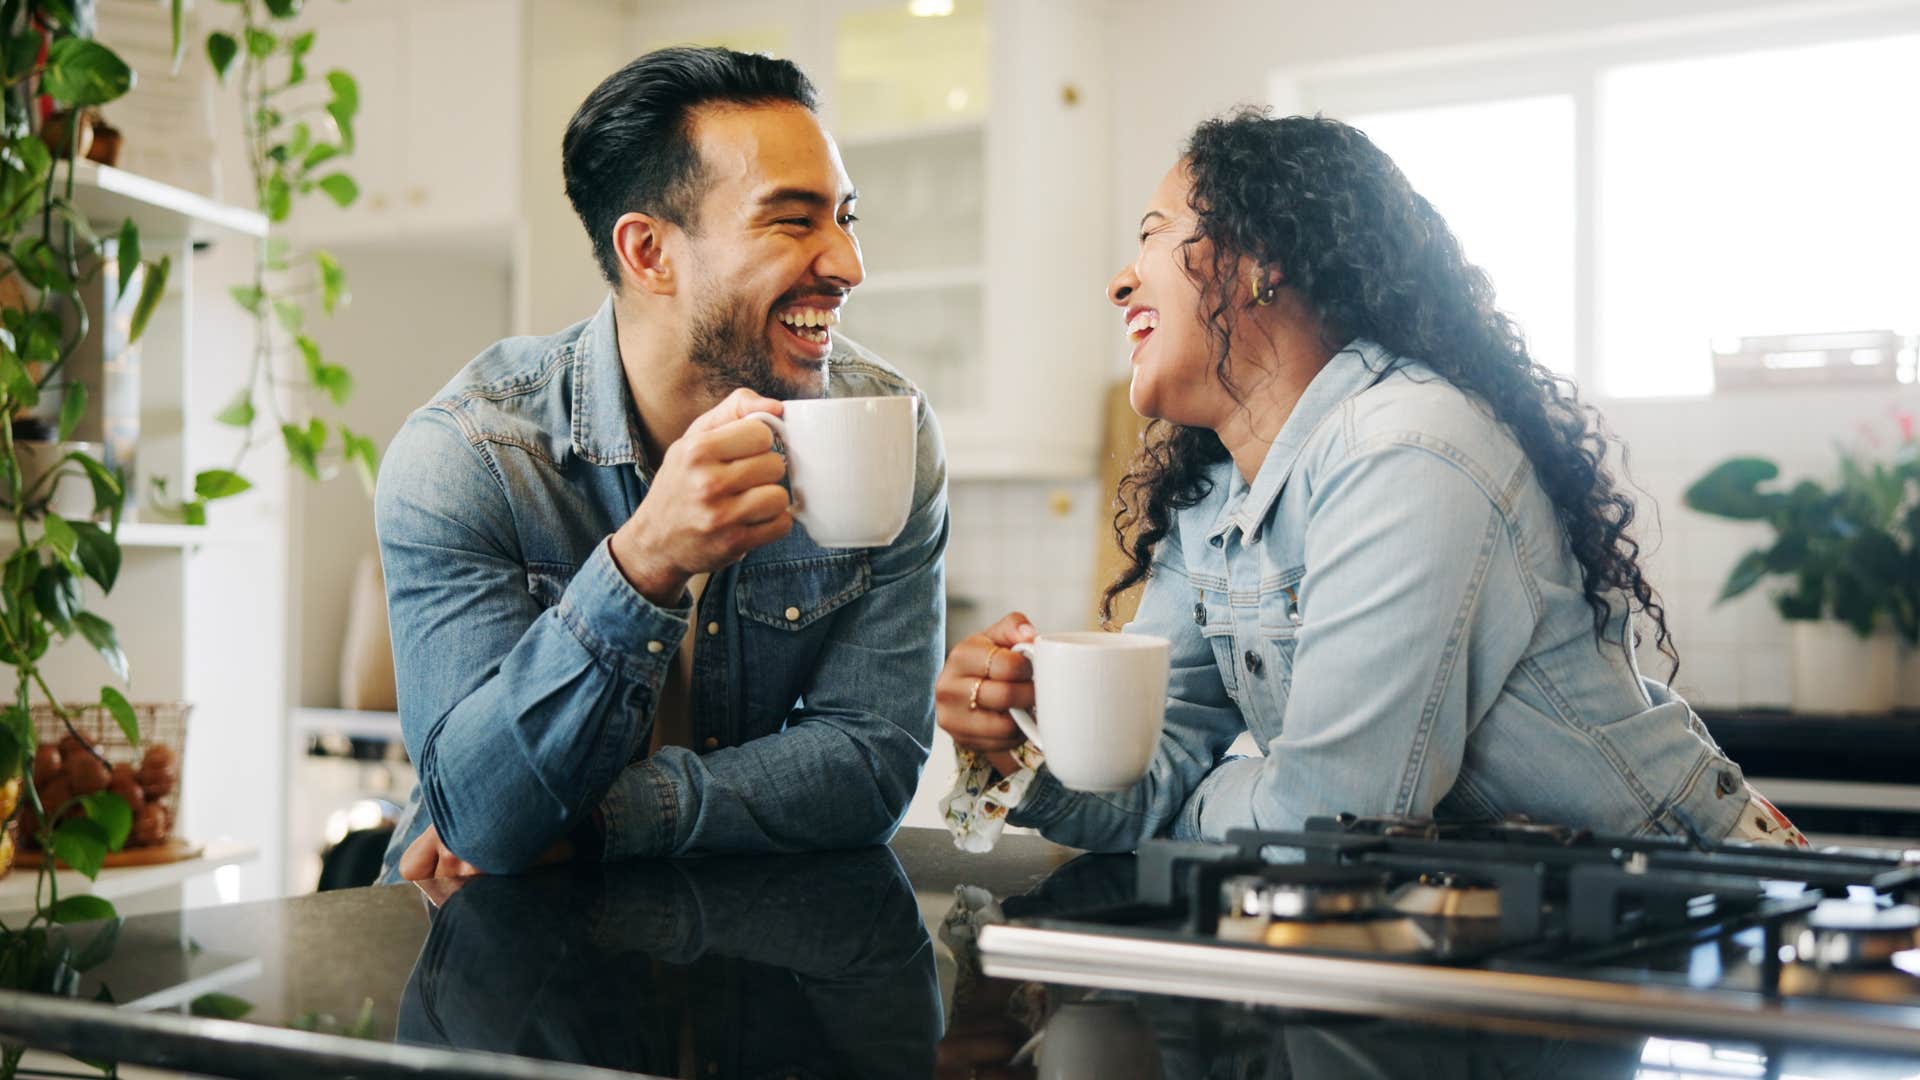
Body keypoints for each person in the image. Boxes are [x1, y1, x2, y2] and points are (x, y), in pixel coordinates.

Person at [937, 110, 1802, 853]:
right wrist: (1024, 751)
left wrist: (1193, 807)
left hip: (1697, 900)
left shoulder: (1409, 450)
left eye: (1158, 232)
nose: (1121, 280)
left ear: (1262, 258)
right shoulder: (1215, 498)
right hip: (1501, 923)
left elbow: (1325, 825)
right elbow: (1148, 775)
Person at [374, 46, 948, 881]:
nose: (848, 266)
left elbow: (870, 763)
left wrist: (603, 823)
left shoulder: (887, 427)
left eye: (845, 217)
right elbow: (482, 816)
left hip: (744, 937)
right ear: (648, 252)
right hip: (484, 936)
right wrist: (645, 561)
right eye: (794, 220)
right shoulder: (470, 456)